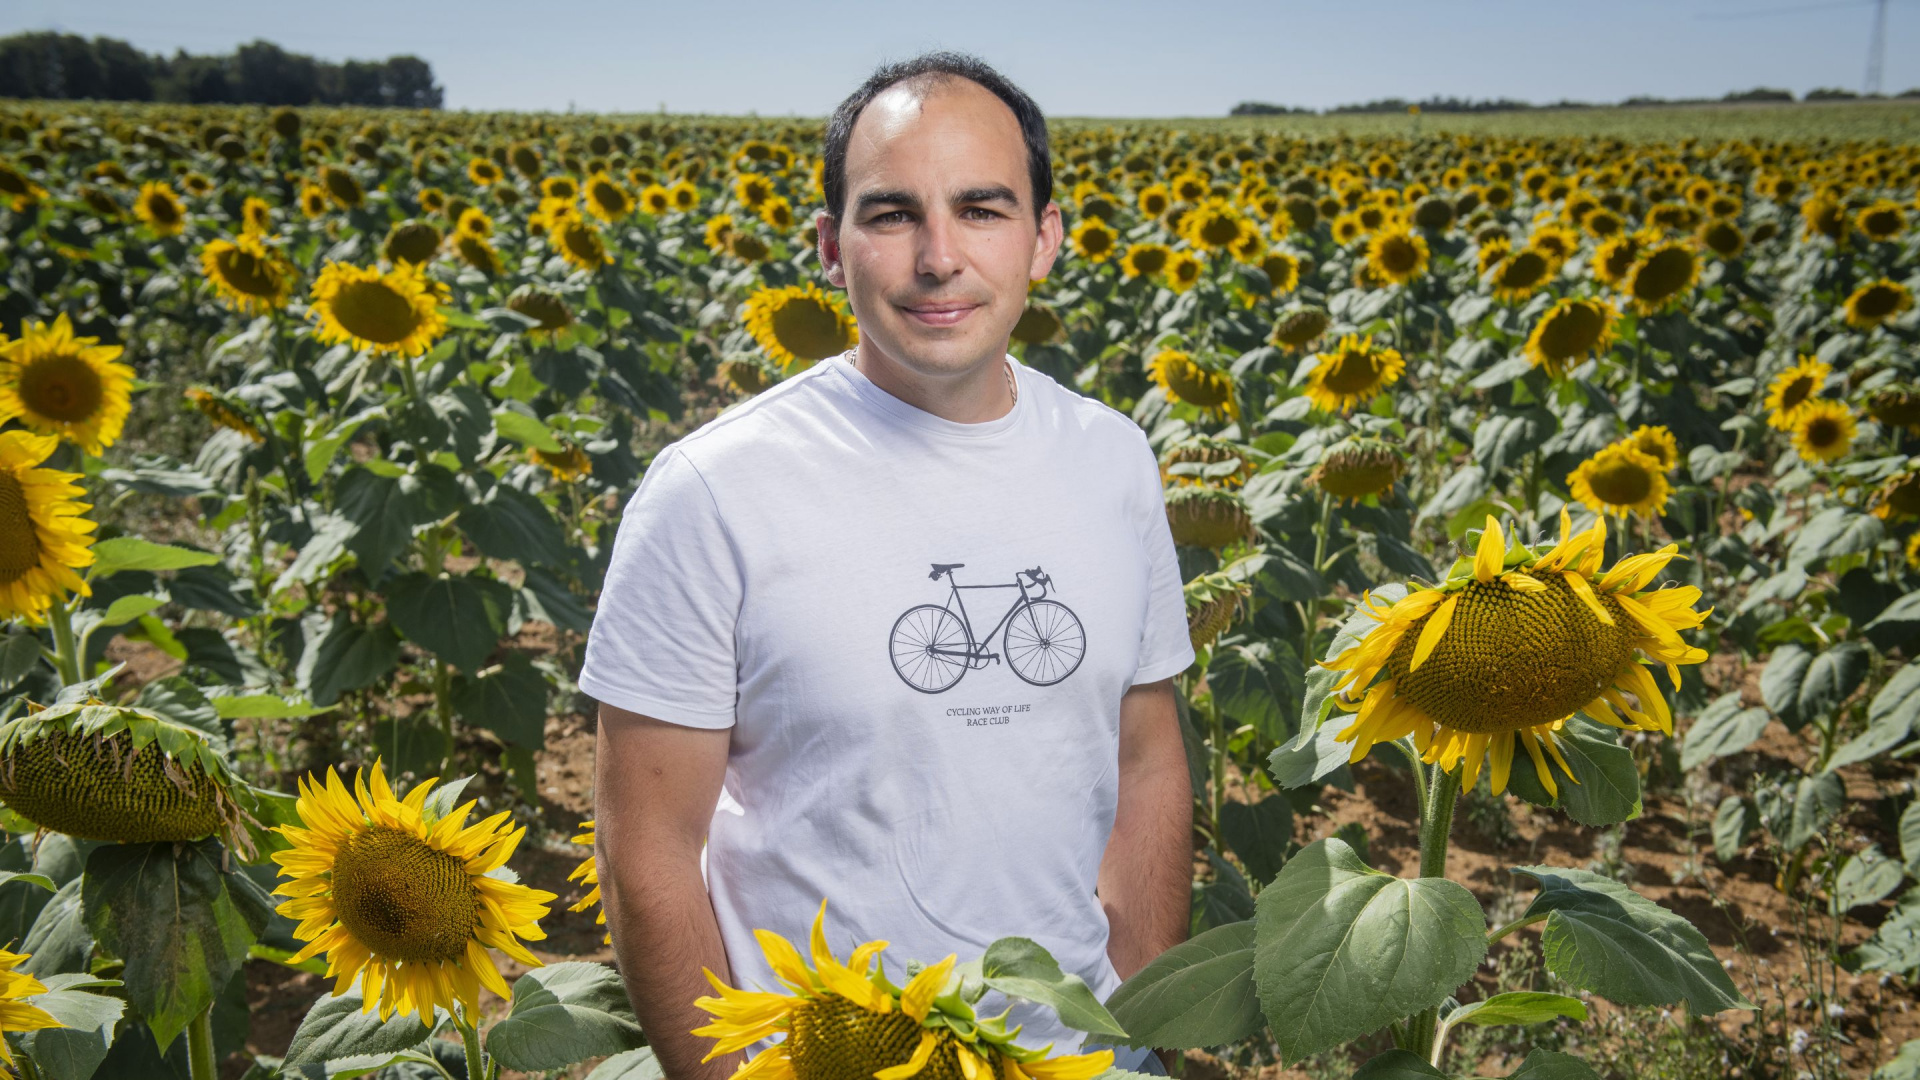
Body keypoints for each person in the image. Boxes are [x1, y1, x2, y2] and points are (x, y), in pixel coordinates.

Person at [581, 50, 1192, 1079]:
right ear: (831, 245)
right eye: (893, 213)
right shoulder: (715, 490)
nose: (939, 256)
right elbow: (647, 848)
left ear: (1046, 238)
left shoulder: (1112, 459)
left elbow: (1146, 756)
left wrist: (1136, 1024)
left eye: (983, 209)